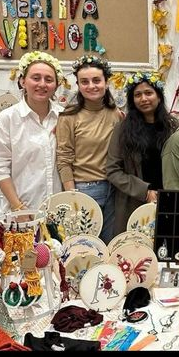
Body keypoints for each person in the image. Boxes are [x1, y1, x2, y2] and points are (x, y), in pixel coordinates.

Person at [56, 55, 122, 244]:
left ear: (106, 83)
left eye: (96, 80)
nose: (91, 86)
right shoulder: (69, 116)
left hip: (113, 189)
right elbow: (63, 159)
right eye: (84, 82)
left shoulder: (115, 113)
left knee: (108, 246)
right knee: (84, 247)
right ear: (78, 85)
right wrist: (72, 196)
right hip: (84, 189)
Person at [106, 71, 179, 235]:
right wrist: (145, 192)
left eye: (148, 93)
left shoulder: (174, 127)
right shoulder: (123, 129)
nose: (143, 98)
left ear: (159, 96)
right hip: (133, 202)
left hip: (169, 200)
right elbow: (113, 170)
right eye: (137, 95)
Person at [0, 51, 63, 215]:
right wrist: (18, 207)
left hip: (58, 211)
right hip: (21, 210)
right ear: (23, 81)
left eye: (49, 79)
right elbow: (0, 167)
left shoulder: (64, 117)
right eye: (36, 78)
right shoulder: (6, 119)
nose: (42, 84)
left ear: (56, 85)